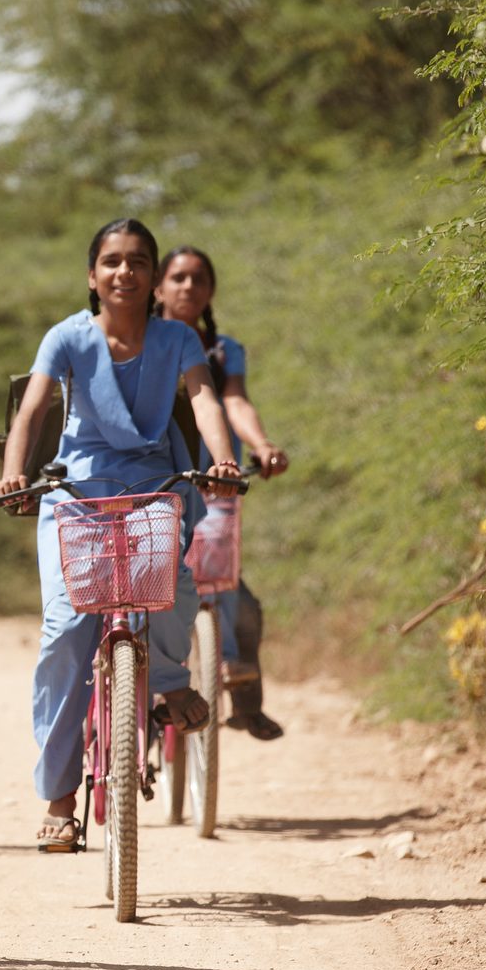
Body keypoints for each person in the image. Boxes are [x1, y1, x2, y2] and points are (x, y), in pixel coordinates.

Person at [0, 219, 243, 851]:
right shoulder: (67, 337)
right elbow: (32, 410)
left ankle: (165, 681)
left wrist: (222, 459)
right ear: (92, 275)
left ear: (153, 278)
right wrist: (13, 474)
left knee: (174, 590)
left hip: (155, 488)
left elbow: (205, 399)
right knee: (65, 632)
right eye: (111, 261)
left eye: (137, 262)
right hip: (78, 497)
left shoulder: (177, 338)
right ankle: (58, 798)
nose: (124, 272)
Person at [155, 245, 290, 741]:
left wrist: (260, 444)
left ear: (210, 291)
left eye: (198, 279)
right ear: (158, 288)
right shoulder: (139, 343)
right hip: (157, 482)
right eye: (178, 277)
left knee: (231, 588)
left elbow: (233, 399)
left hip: (215, 480)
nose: (188, 287)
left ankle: (243, 695)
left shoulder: (222, 350)